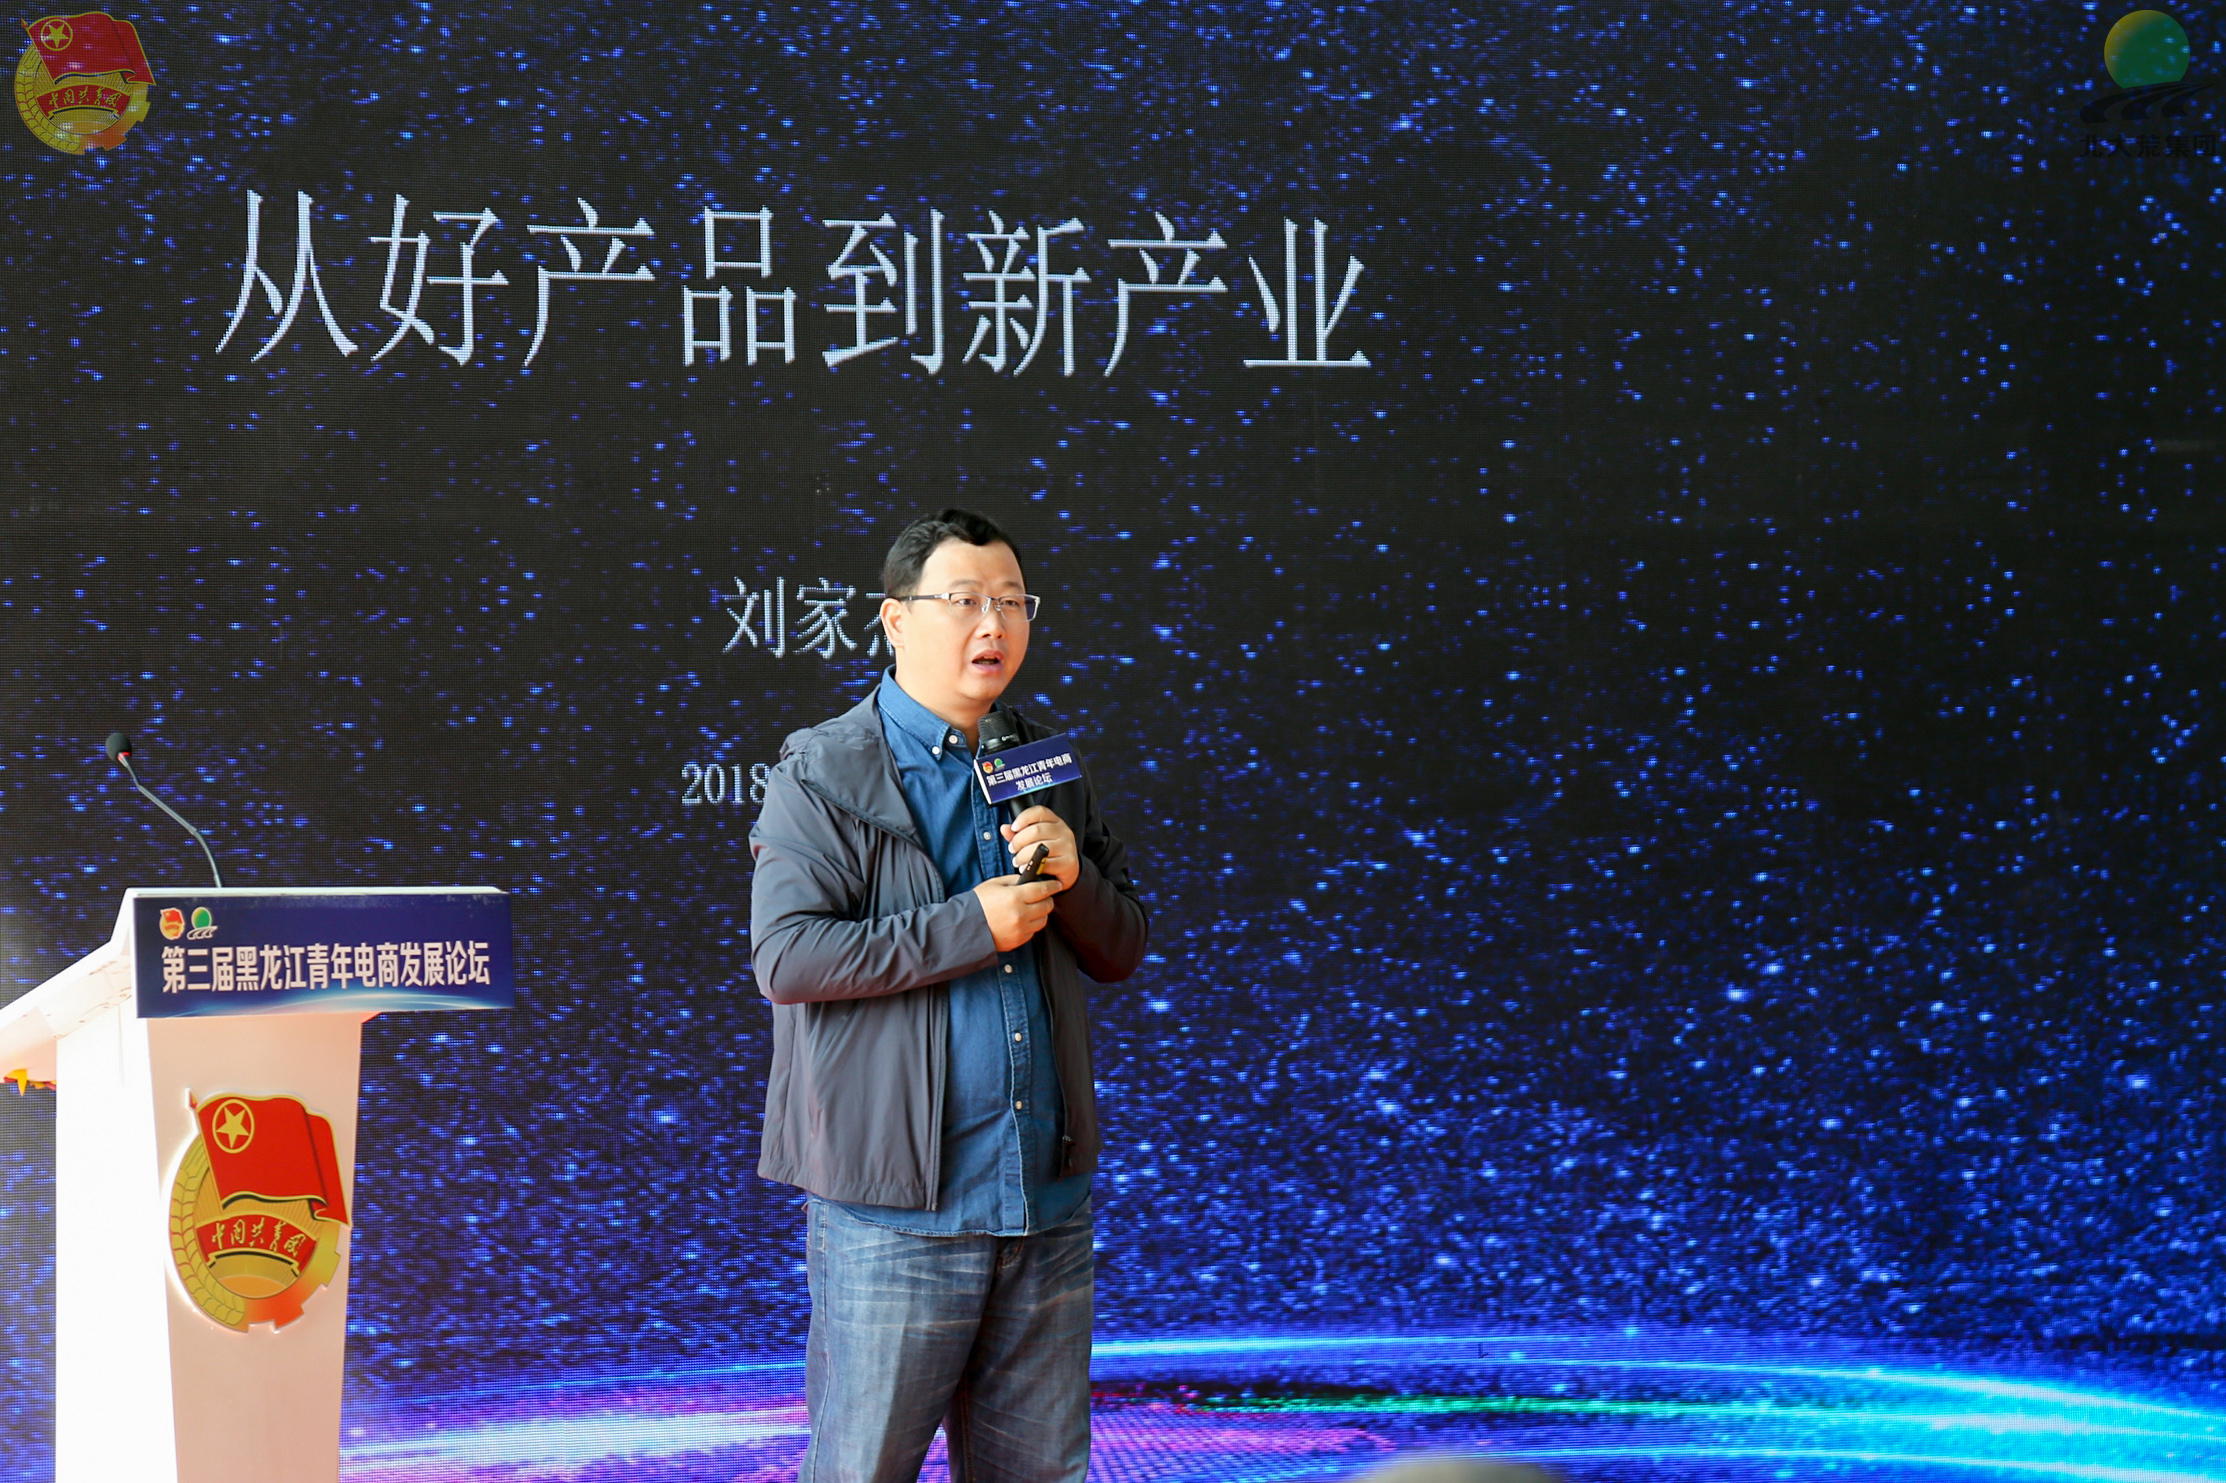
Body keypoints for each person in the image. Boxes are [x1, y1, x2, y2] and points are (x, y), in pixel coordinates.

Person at [749, 507, 1149, 1483]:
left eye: (1012, 602)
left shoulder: (1043, 764)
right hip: (895, 1214)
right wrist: (971, 924)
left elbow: (1122, 946)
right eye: (964, 601)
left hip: (1042, 1206)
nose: (993, 625)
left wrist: (1074, 881)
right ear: (895, 619)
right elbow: (788, 959)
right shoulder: (825, 770)